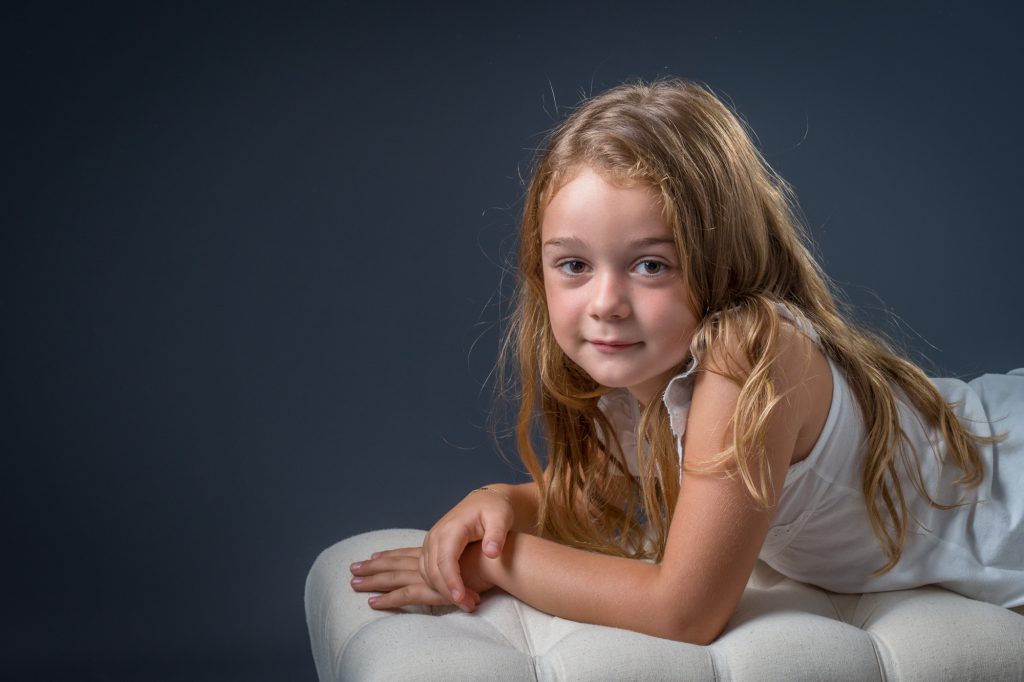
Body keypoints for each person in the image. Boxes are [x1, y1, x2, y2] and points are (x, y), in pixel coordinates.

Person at [343, 77, 1024, 646]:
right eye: (574, 265)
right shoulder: (646, 370)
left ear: (720, 259)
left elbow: (686, 612)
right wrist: (495, 504)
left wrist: (500, 564)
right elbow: (595, 495)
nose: (606, 302)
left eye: (650, 265)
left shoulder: (748, 356)